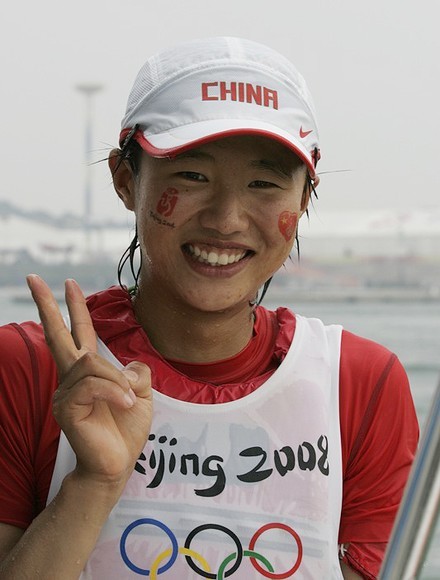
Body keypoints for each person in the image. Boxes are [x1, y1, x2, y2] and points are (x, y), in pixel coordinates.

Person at [0, 36, 418, 579]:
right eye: (192, 176)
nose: (226, 219)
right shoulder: (28, 368)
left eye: (264, 183)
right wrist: (94, 483)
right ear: (126, 180)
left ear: (304, 199)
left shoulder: (360, 383)